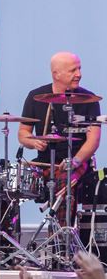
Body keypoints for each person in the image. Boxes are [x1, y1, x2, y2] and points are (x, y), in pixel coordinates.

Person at [18, 51, 101, 219]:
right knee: (6, 185)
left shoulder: (89, 99)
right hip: (44, 164)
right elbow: (23, 133)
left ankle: (61, 242)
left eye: (79, 69)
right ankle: (5, 238)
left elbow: (94, 140)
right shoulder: (36, 97)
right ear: (56, 74)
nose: (79, 74)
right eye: (73, 70)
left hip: (76, 164)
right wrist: (33, 143)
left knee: (64, 182)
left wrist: (75, 161)